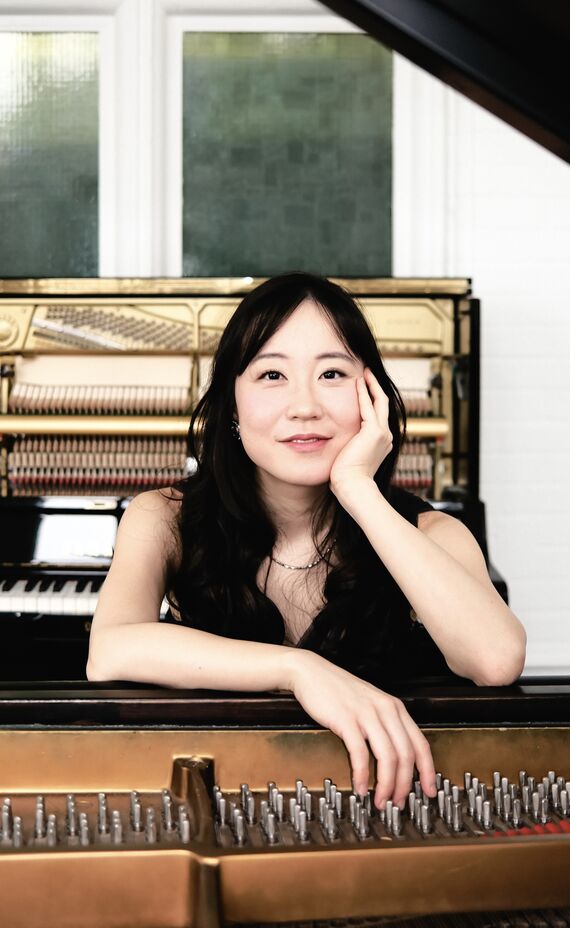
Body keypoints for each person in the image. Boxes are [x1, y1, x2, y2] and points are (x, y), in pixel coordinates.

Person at [87, 272, 526, 811]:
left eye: (332, 374)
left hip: (390, 812)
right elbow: (109, 650)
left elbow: (496, 659)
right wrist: (298, 670)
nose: (305, 406)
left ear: (373, 398)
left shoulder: (430, 533)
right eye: (272, 374)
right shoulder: (163, 518)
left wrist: (358, 490)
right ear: (231, 404)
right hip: (223, 806)